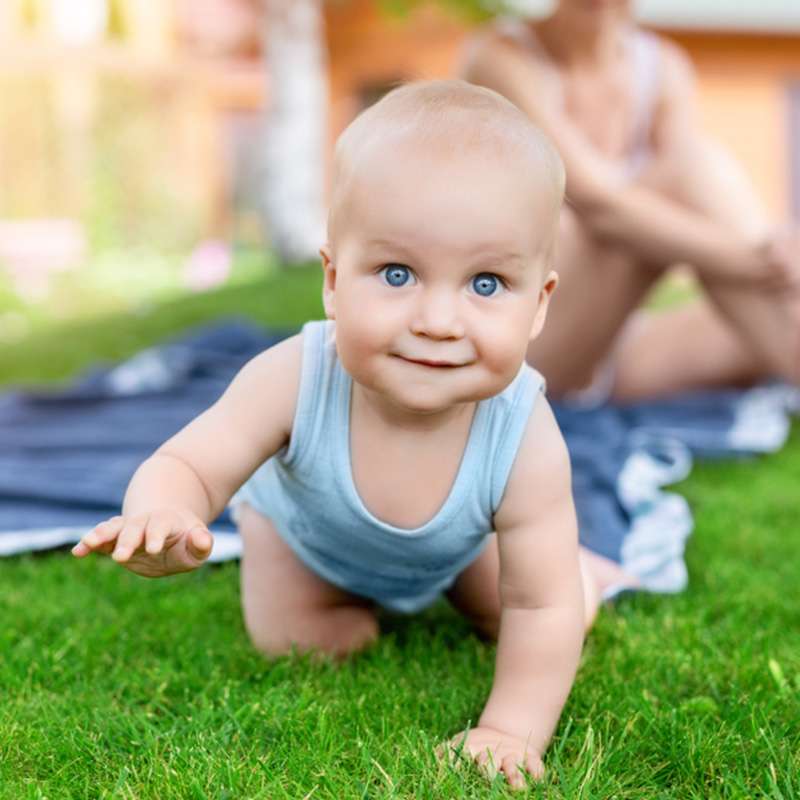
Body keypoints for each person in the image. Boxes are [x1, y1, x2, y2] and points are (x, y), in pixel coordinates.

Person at [71, 79, 632, 789]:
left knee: (547, 609)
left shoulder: (523, 432)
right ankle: (338, 607)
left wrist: (507, 732)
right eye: (397, 273)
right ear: (334, 281)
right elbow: (191, 460)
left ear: (539, 304)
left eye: (486, 284)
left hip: (455, 553)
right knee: (303, 645)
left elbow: (537, 604)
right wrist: (163, 510)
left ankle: (586, 570)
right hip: (304, 548)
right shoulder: (296, 376)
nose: (437, 319)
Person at [459, 1, 800, 403]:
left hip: (617, 346)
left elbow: (700, 205)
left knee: (748, 330)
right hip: (528, 344)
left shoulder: (661, 65)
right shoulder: (502, 58)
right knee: (689, 169)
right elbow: (597, 204)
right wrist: (760, 259)